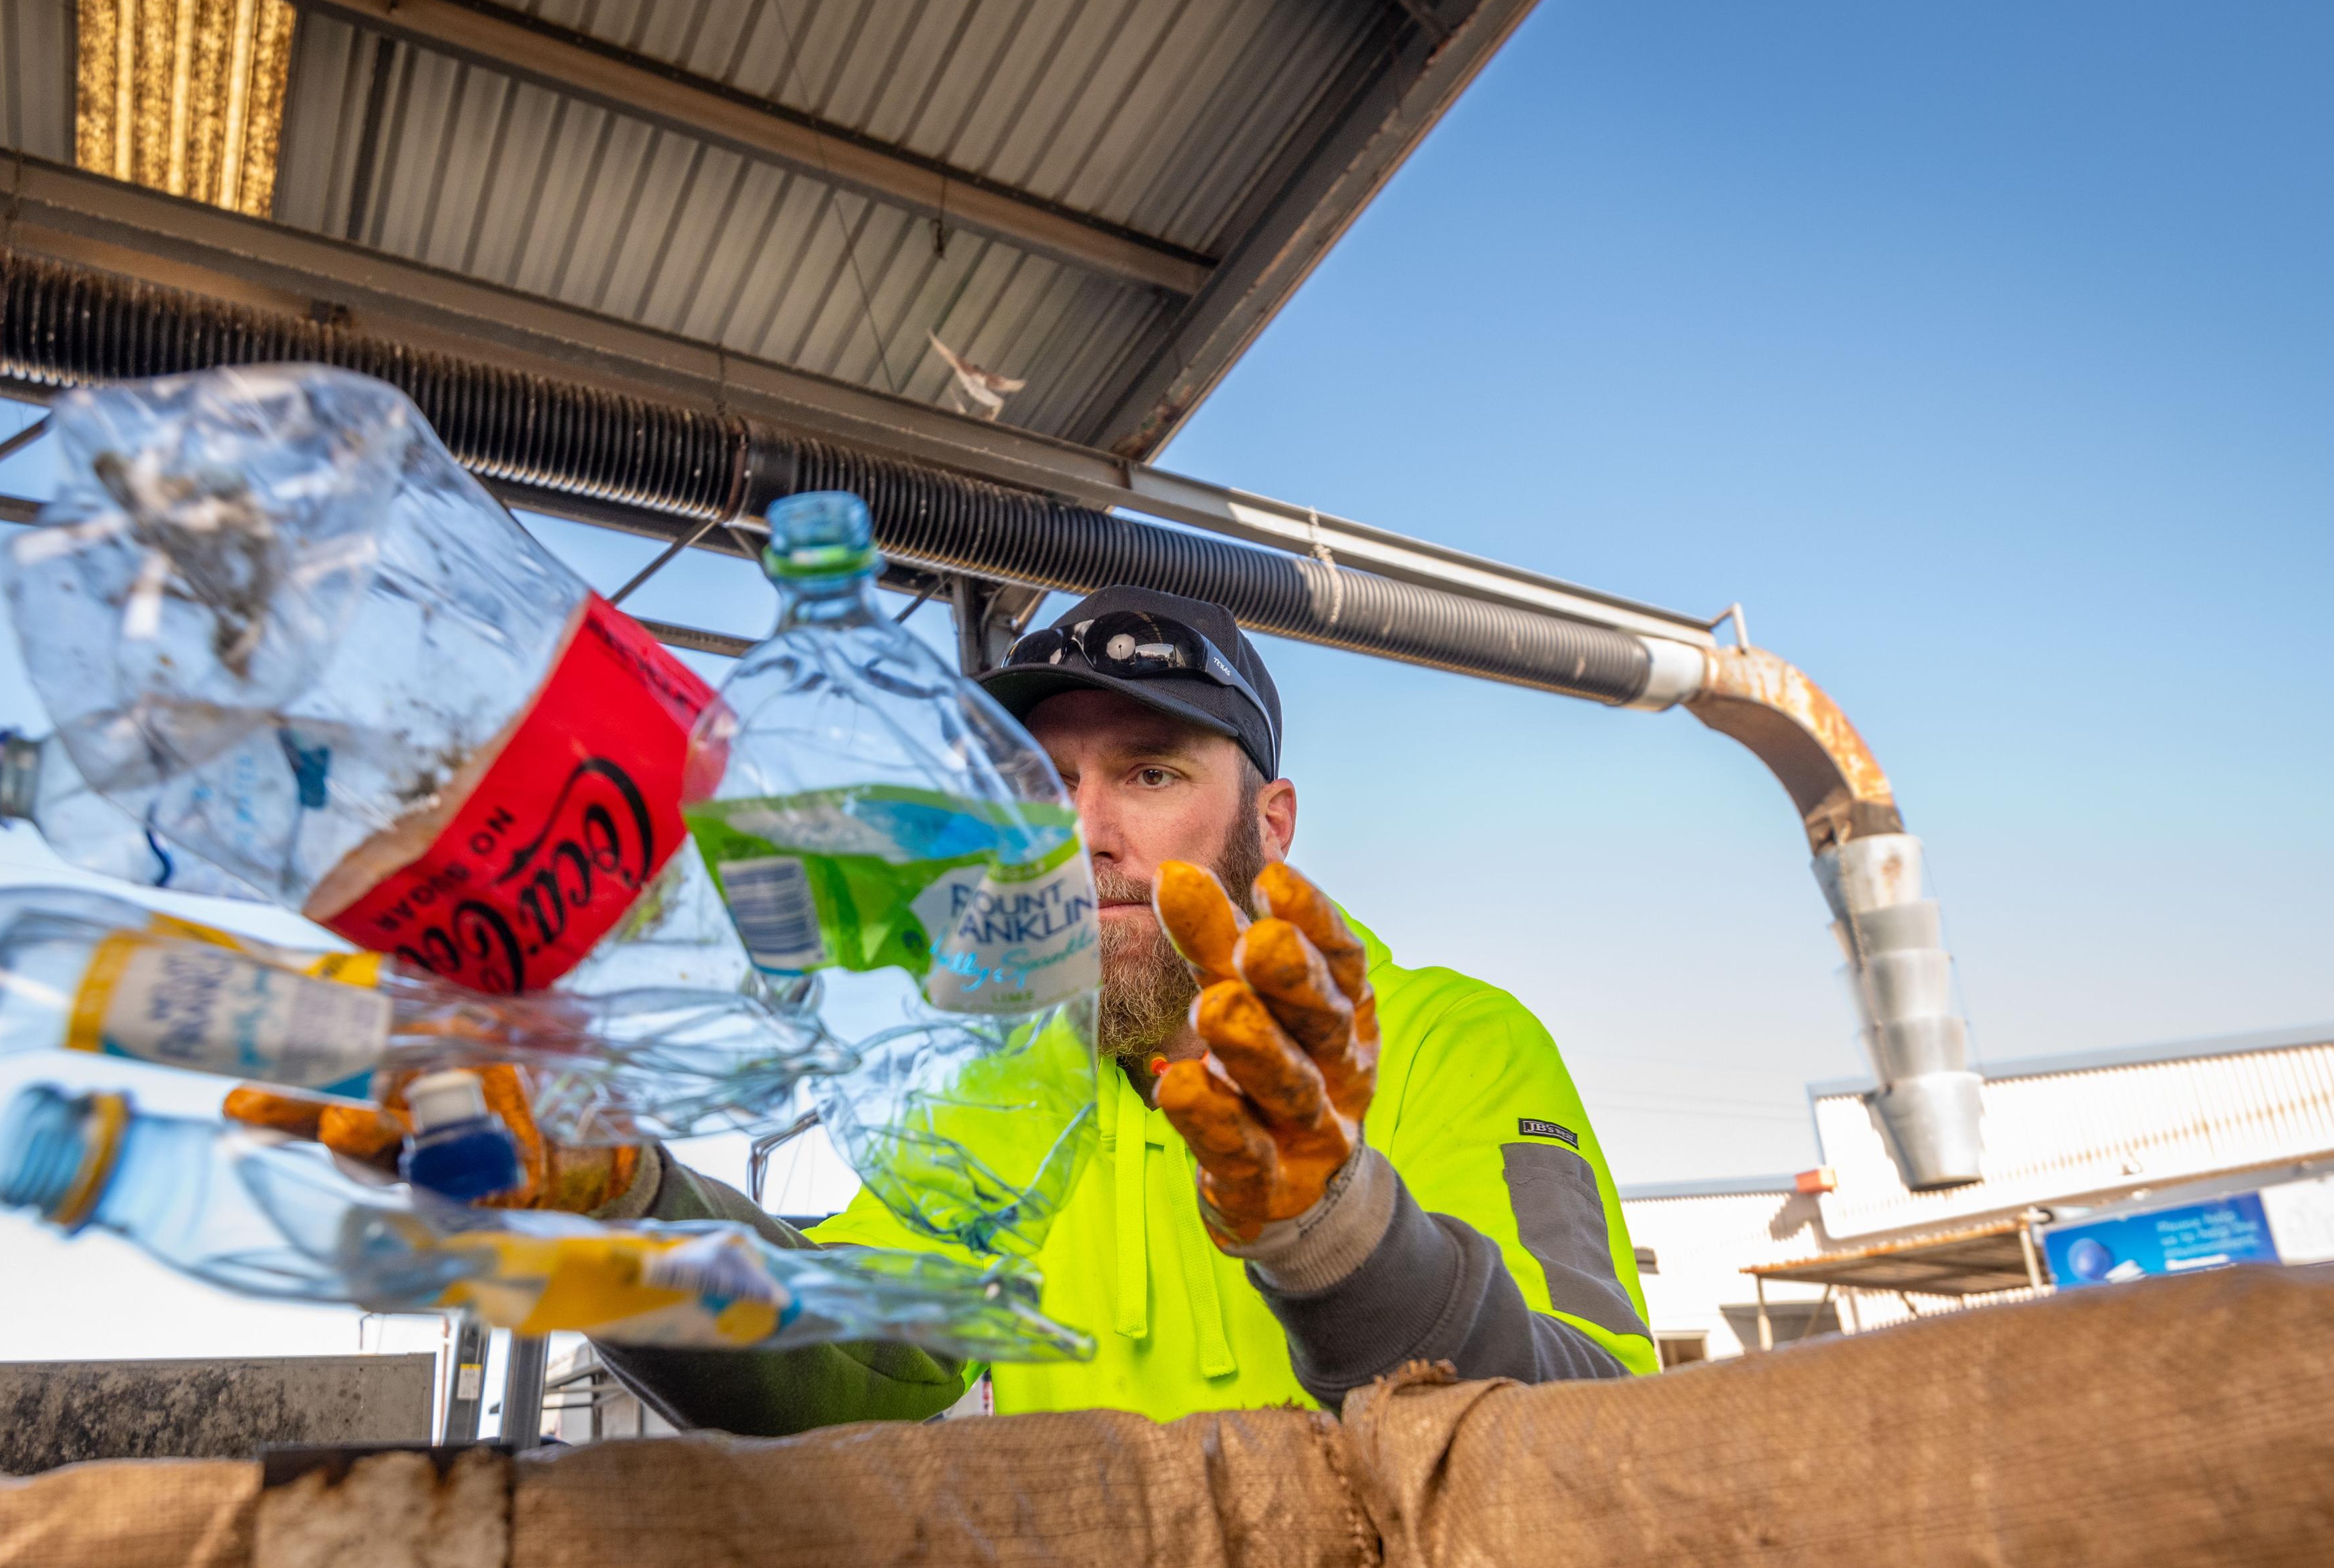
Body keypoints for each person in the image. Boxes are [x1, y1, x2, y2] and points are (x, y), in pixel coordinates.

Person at [594, 587, 1655, 1434]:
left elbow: (1591, 1424)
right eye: (1050, 785)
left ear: (1271, 823)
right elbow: (851, 1347)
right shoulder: (1010, 1091)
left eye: (1150, 771)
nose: (1085, 833)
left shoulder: (1453, 1042)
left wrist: (1348, 1238)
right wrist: (622, 1205)